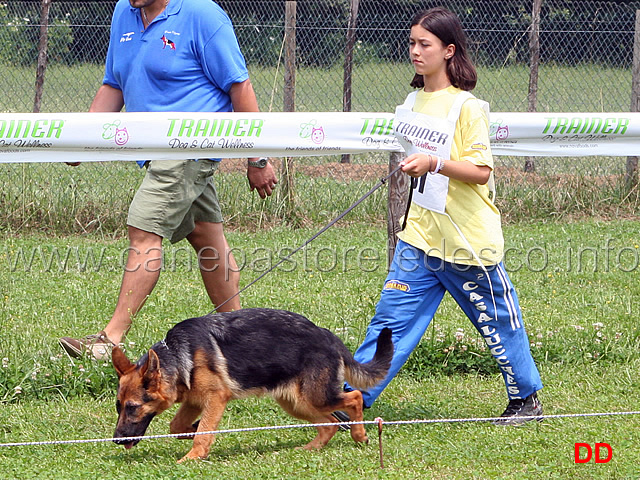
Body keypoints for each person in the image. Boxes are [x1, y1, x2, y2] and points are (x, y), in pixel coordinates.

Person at [337, 7, 543, 425]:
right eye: (412, 43)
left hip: (469, 243)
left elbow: (481, 171)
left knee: (498, 326)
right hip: (419, 239)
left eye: (424, 44)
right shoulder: (412, 102)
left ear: (448, 51)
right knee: (388, 324)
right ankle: (349, 403)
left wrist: (434, 162)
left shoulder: (468, 108)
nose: (415, 51)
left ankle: (526, 400)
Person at [60, 0, 278, 360]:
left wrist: (257, 158)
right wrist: (83, 137)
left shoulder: (203, 15)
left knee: (143, 230)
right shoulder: (124, 12)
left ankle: (108, 341)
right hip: (155, 149)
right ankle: (240, 337)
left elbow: (240, 87)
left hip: (191, 147)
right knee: (207, 235)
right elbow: (114, 83)